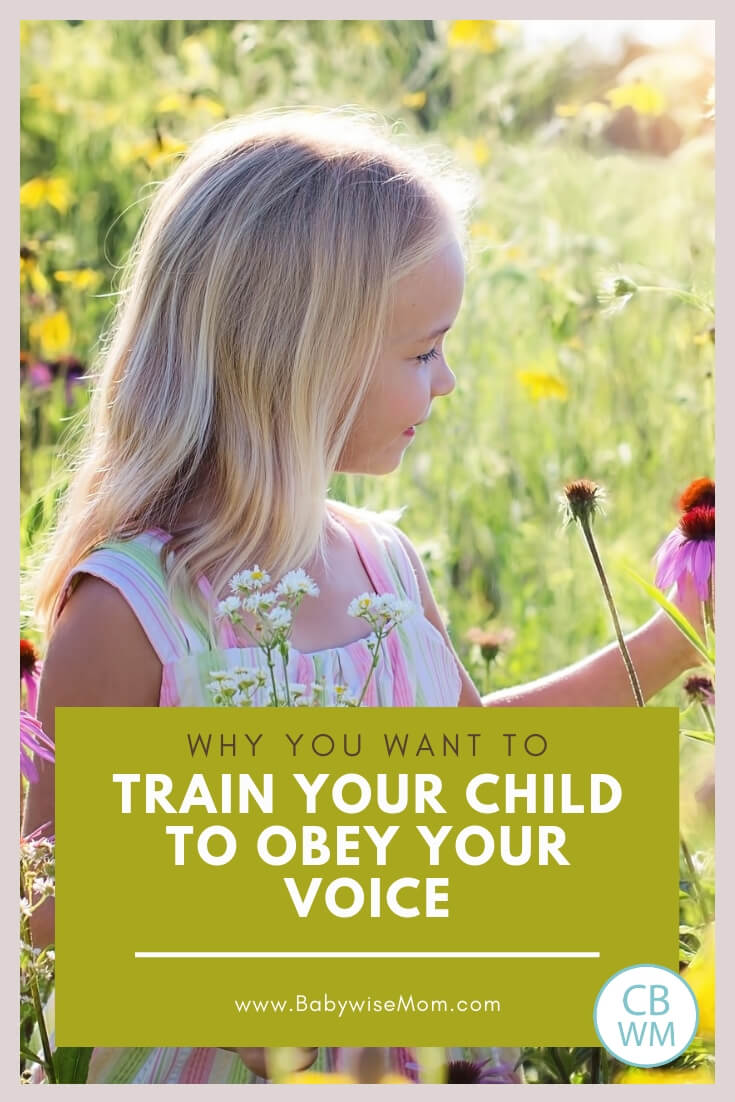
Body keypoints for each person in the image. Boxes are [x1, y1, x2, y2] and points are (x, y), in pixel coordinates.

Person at [24, 107, 703, 1085]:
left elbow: (477, 770)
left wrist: (677, 637)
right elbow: (51, 910)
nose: (452, 379)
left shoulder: (387, 566)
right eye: (423, 351)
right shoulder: (133, 614)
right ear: (299, 362)